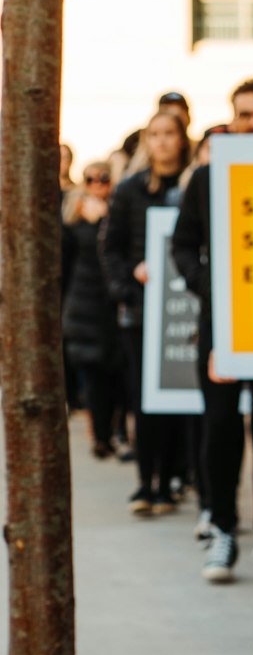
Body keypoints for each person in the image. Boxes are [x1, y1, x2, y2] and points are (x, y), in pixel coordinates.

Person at [173, 78, 253, 572]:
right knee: (219, 430)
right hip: (222, 323)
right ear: (233, 121)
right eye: (246, 115)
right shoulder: (208, 177)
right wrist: (210, 287)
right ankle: (221, 525)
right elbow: (182, 244)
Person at [100, 110, 190, 514]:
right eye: (154, 135)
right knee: (144, 398)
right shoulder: (130, 190)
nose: (162, 142)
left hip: (185, 311)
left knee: (180, 400)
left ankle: (171, 479)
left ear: (182, 138)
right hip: (141, 313)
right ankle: (145, 482)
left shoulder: (194, 184)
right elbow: (111, 248)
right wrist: (128, 284)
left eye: (169, 134)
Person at [62, 161, 120, 457]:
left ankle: (110, 431)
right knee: (92, 375)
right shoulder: (72, 223)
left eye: (104, 178)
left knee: (114, 375)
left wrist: (105, 220)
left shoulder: (117, 216)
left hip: (111, 307)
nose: (98, 183)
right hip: (83, 307)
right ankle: (99, 434)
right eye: (91, 178)